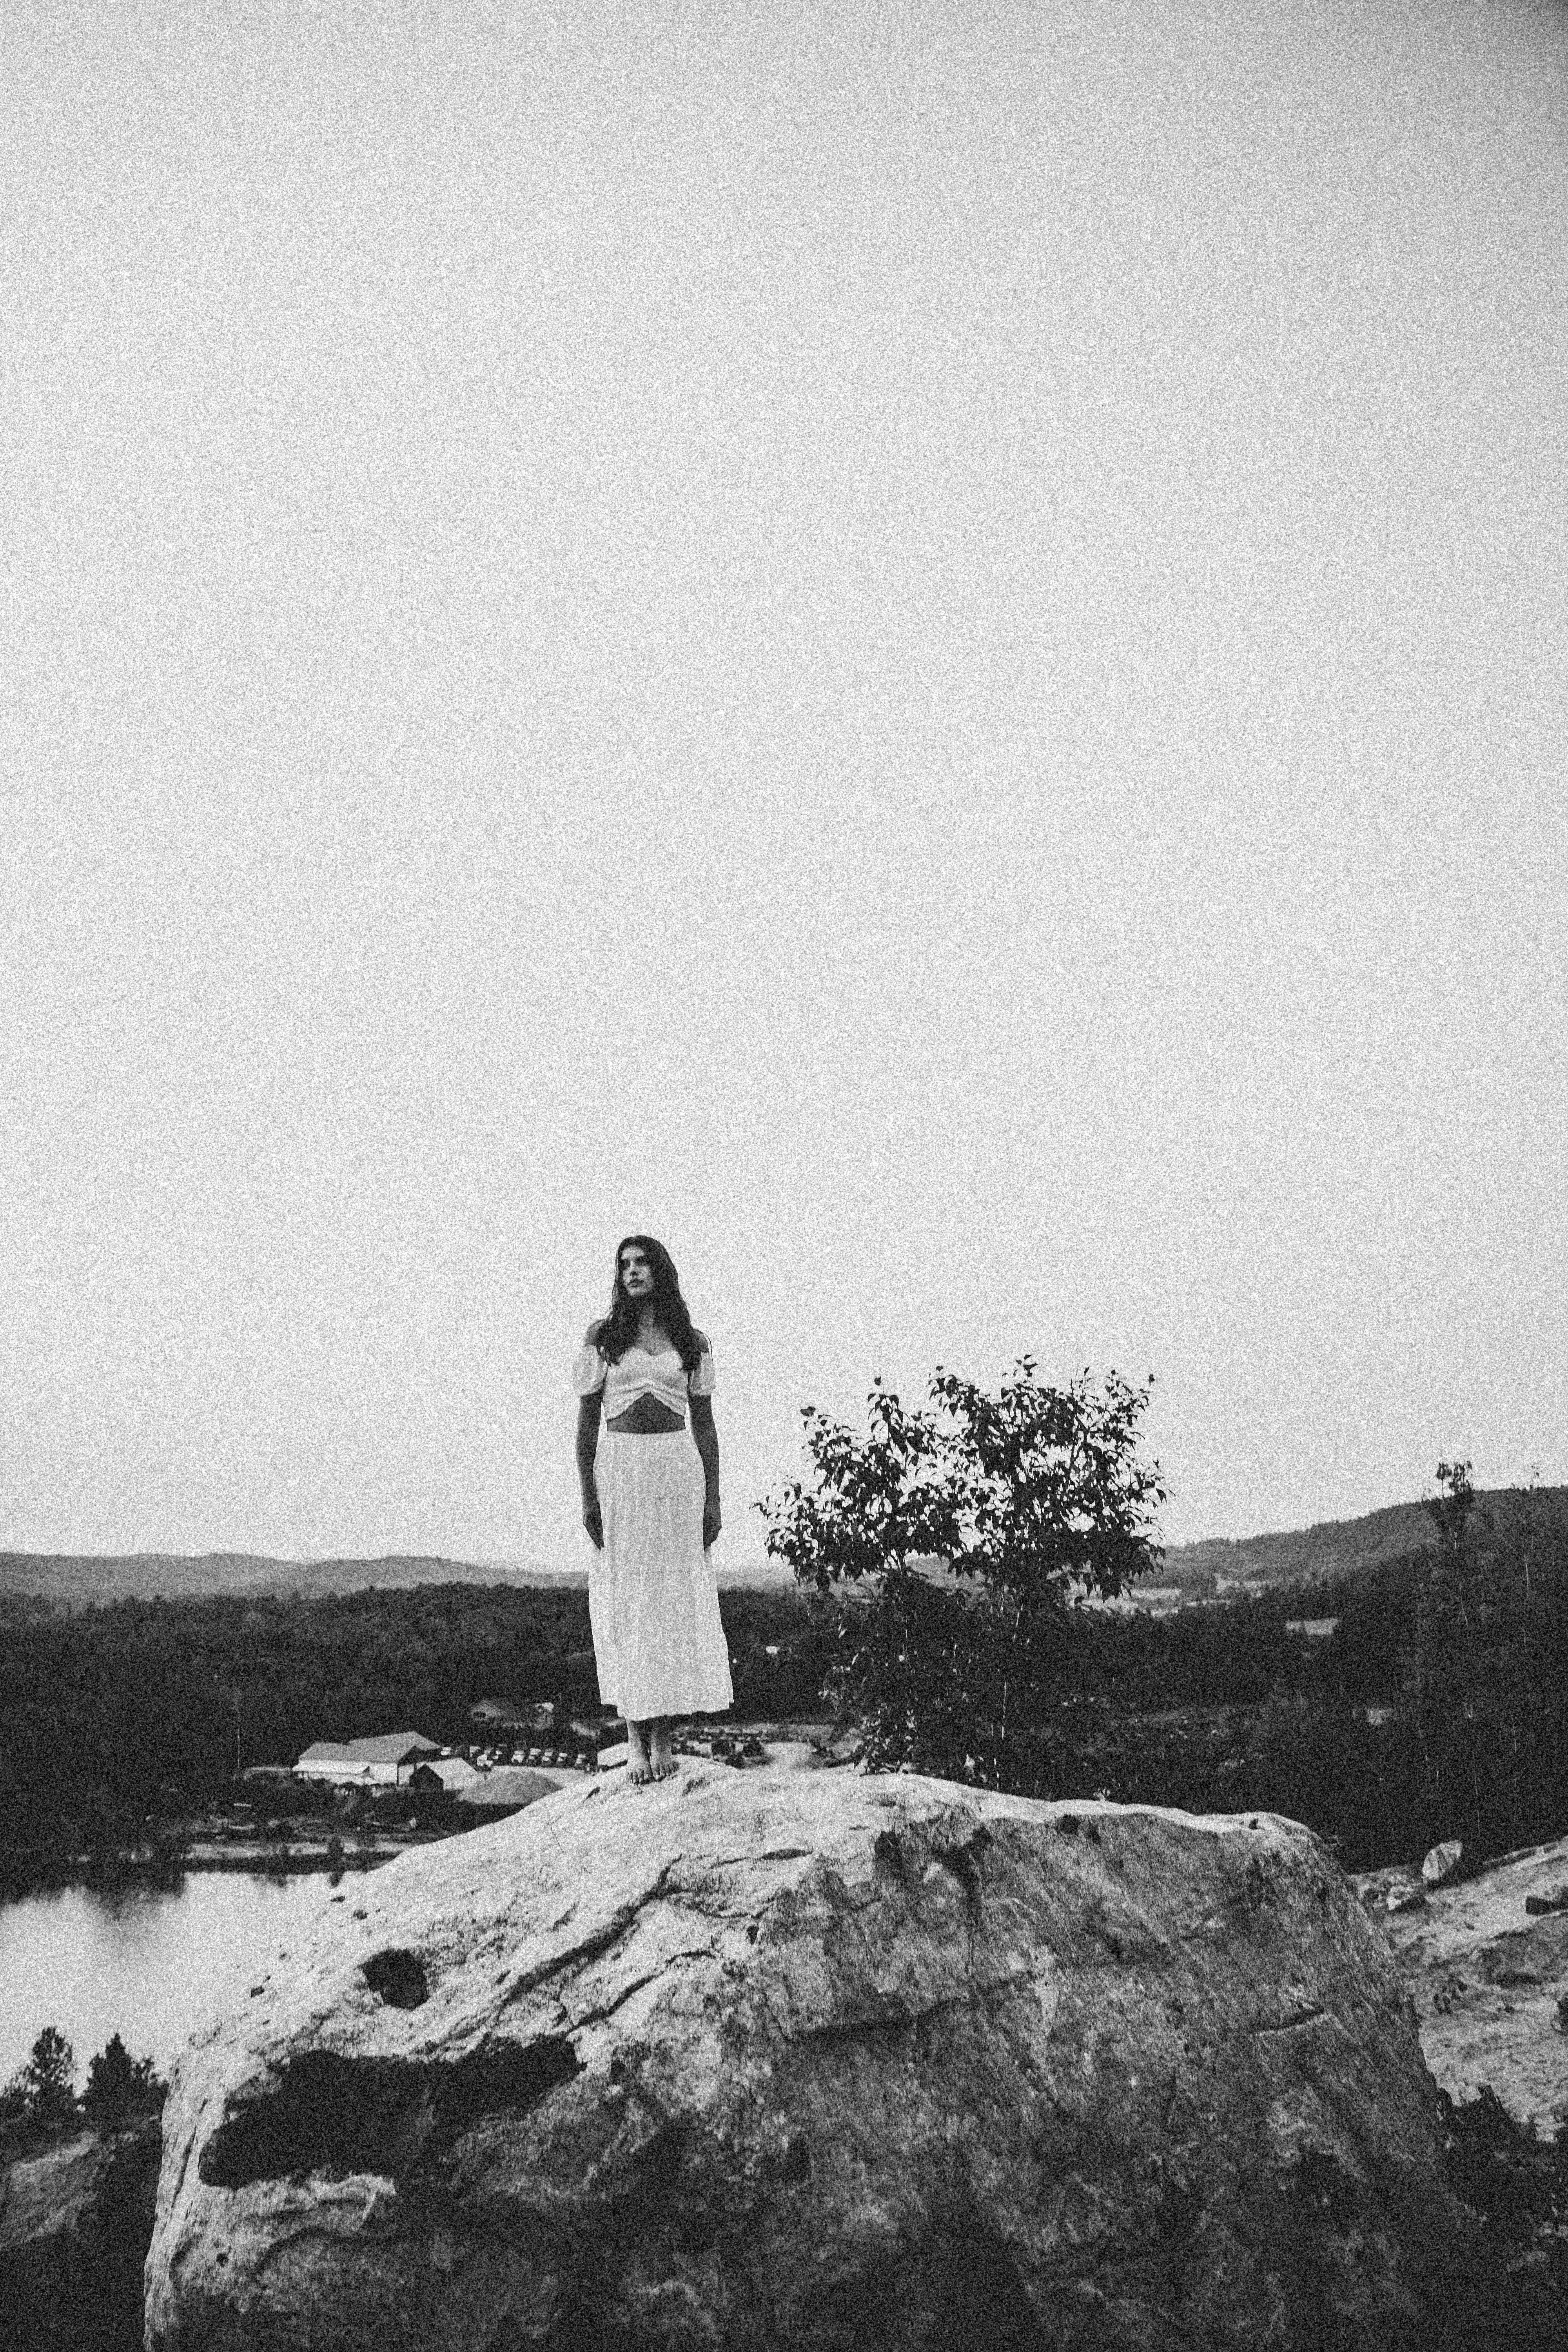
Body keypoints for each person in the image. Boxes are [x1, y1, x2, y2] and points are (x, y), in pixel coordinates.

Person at [574, 1235, 733, 1782]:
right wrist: (588, 1497)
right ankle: (634, 1737)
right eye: (625, 1265)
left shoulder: (691, 1340)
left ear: (661, 1271)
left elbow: (707, 1426)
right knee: (628, 1601)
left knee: (668, 1602)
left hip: (675, 1471)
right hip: (620, 1471)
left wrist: (713, 1499)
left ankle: (664, 1735)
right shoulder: (603, 1338)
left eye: (642, 1263)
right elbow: (585, 1426)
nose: (633, 1271)